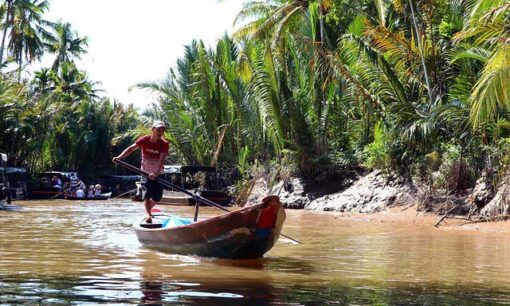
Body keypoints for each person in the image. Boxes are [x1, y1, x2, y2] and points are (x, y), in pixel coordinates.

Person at [113, 120, 169, 223]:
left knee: (158, 197)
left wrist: (156, 173)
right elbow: (131, 149)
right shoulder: (144, 140)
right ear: (153, 129)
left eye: (162, 130)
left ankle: (147, 210)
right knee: (147, 193)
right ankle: (148, 214)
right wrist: (119, 157)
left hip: (158, 172)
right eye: (158, 129)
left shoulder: (164, 144)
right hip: (145, 172)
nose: (160, 132)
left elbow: (161, 160)